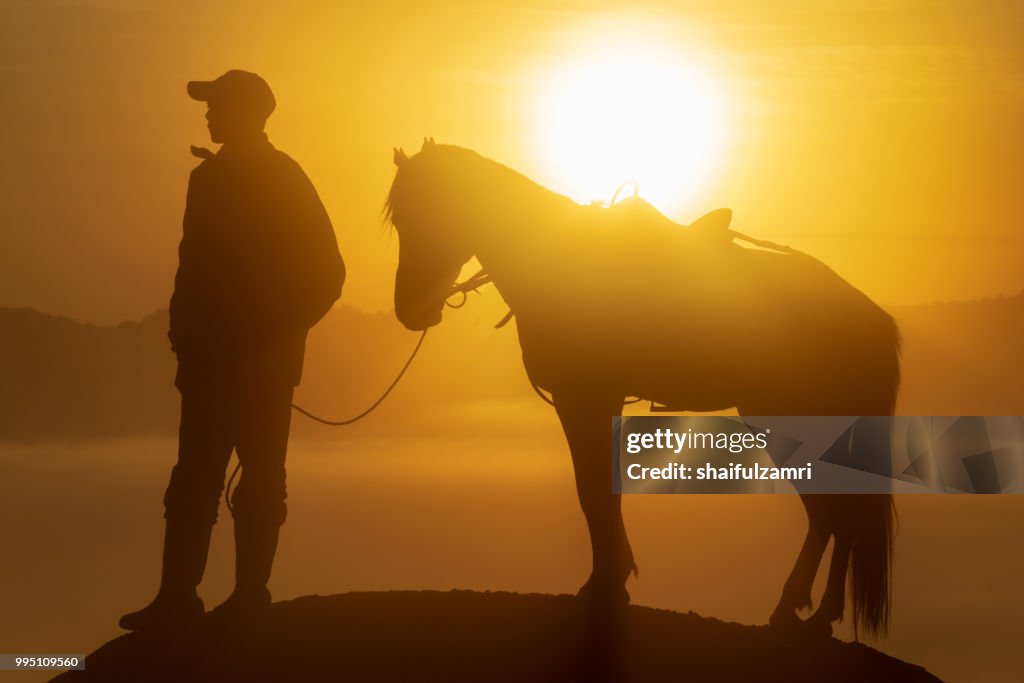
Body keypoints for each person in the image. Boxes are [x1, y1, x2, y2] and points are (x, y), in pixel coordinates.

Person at [119, 70, 345, 630]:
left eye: (216, 104)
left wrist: (274, 338)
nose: (207, 113)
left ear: (245, 112)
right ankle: (178, 598)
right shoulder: (210, 178)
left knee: (259, 480)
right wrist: (185, 336)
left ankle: (246, 597)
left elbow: (328, 275)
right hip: (207, 366)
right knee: (195, 479)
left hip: (258, 368)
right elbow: (191, 268)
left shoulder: (281, 178)